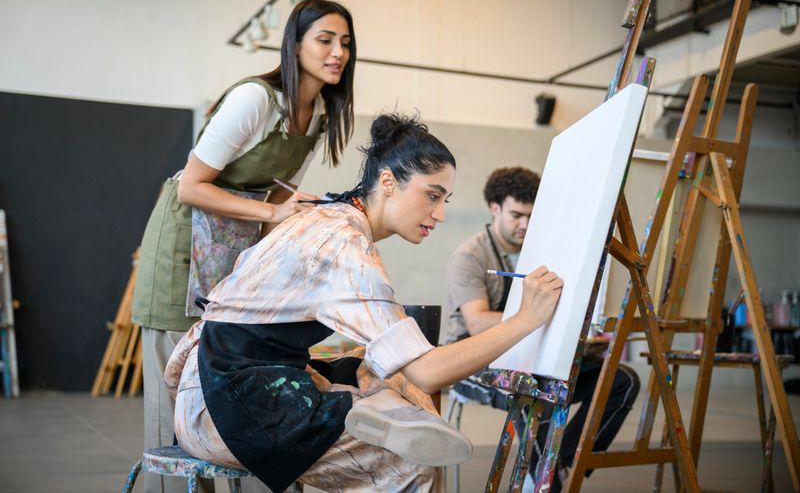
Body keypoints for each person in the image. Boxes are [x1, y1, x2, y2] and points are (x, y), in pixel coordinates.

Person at [164, 114, 564, 492]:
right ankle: (386, 411)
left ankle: (386, 405)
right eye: (432, 196)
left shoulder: (326, 216)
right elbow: (428, 371)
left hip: (213, 382)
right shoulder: (345, 244)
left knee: (386, 372)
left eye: (446, 200)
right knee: (412, 461)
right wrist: (525, 319)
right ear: (387, 182)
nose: (439, 214)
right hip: (227, 409)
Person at [131, 0, 356, 493]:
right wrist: (274, 213)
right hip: (184, 246)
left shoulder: (316, 114)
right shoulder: (256, 99)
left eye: (345, 42)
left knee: (209, 387)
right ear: (294, 45)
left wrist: (301, 212)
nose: (338, 52)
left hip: (231, 249)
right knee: (171, 402)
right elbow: (192, 186)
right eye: (325, 40)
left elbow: (277, 193)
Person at [444, 166, 640, 491]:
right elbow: (478, 322)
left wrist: (577, 338)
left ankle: (560, 464)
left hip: (532, 349)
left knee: (622, 382)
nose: (524, 224)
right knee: (535, 391)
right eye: (516, 215)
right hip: (472, 358)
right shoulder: (470, 257)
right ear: (495, 209)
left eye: (531, 216)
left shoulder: (541, 252)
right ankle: (546, 478)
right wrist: (541, 316)